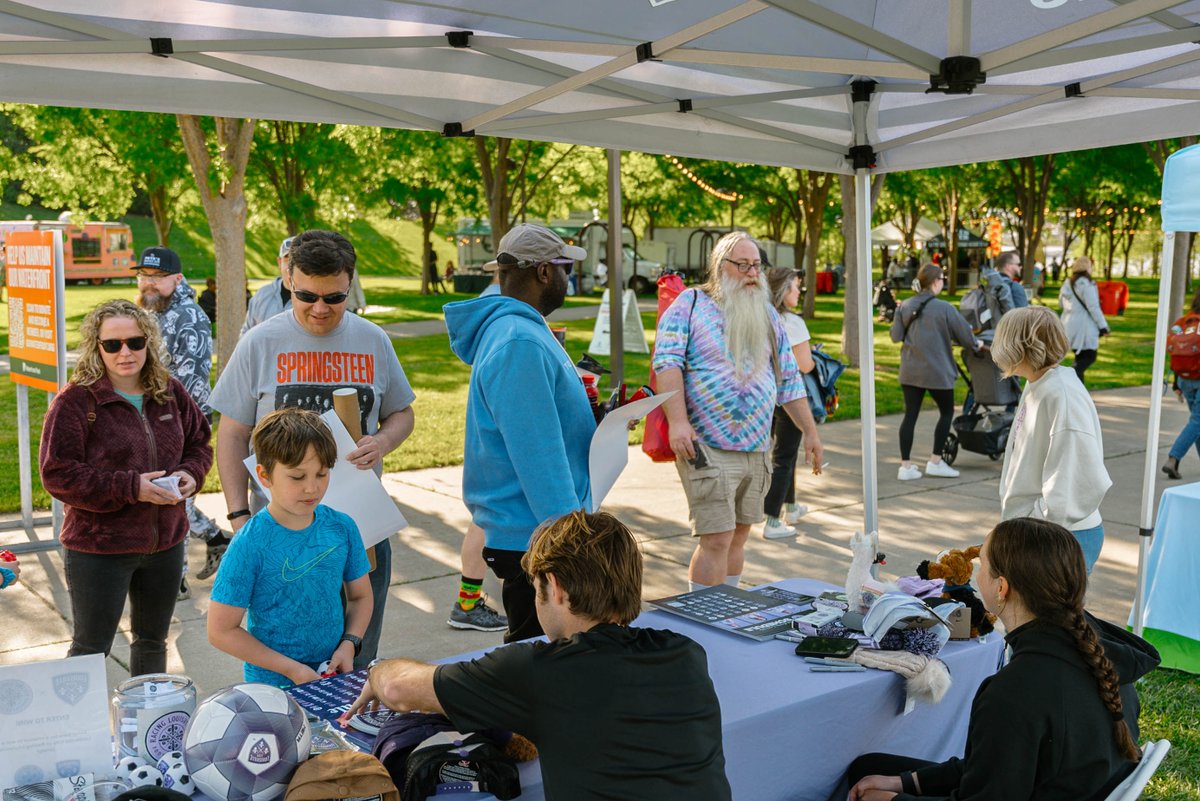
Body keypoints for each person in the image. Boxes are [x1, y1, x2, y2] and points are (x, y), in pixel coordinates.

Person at [343, 510, 732, 801]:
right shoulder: (686, 654)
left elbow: (397, 687)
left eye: (536, 587)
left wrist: (377, 669)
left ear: (556, 588)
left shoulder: (539, 670)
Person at [210, 229, 415, 668]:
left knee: (358, 653)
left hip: (362, 525)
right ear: (287, 277)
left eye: (335, 298)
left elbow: (402, 413)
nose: (320, 308)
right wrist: (238, 514)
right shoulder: (261, 342)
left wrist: (382, 440)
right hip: (283, 531)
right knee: (291, 656)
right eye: (306, 295)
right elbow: (230, 433)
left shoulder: (373, 340)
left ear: (350, 284)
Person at [845, 517, 1143, 801]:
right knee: (872, 768)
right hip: (1056, 786)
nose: (976, 574)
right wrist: (906, 783)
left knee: (866, 774)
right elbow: (999, 767)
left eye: (982, 564)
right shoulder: (1101, 655)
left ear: (1001, 588)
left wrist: (895, 799)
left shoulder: (1014, 693)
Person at [39, 300, 212, 675]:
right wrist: (131, 487)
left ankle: (147, 729)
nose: (125, 353)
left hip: (165, 544)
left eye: (135, 342)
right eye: (112, 344)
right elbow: (58, 474)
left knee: (152, 643)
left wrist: (190, 474)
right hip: (100, 548)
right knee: (90, 649)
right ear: (96, 347)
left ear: (148, 342)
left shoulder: (169, 391)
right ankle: (76, 731)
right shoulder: (76, 401)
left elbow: (200, 443)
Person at [443, 223, 592, 643]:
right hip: (538, 539)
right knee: (542, 659)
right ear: (544, 272)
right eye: (565, 267)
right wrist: (571, 544)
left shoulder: (517, 330)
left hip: (533, 533)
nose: (569, 278)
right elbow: (538, 455)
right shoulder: (518, 341)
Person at [653, 231, 824, 590]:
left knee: (740, 536)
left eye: (757, 266)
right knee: (716, 537)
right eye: (742, 265)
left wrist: (810, 432)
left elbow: (789, 379)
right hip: (705, 444)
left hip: (757, 447)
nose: (751, 273)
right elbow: (666, 362)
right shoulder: (690, 304)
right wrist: (678, 423)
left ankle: (728, 610)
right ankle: (705, 620)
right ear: (720, 266)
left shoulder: (768, 315)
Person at [208, 407, 372, 687]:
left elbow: (360, 597)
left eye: (321, 474)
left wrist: (349, 643)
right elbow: (220, 630)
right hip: (273, 685)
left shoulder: (342, 527)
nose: (312, 488)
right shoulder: (250, 544)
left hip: (333, 675)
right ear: (264, 476)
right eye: (297, 477)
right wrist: (291, 669)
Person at [133, 246, 230, 598]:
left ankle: (176, 579)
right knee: (170, 493)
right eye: (144, 276)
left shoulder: (188, 316)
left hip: (180, 423)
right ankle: (217, 539)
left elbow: (190, 383)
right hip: (153, 421)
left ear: (177, 278)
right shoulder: (154, 312)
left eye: (158, 278)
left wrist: (171, 430)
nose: (149, 283)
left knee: (174, 495)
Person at [991, 306, 1111, 573]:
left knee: (1051, 616)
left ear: (1018, 346)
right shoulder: (1038, 384)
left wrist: (1031, 524)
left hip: (1058, 537)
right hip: (1038, 531)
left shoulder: (1061, 396)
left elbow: (1074, 483)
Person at [890, 264, 979, 481]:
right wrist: (977, 345)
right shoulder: (945, 308)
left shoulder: (905, 306)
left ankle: (906, 466)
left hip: (910, 370)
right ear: (936, 282)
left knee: (910, 415)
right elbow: (967, 338)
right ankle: (935, 461)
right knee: (946, 412)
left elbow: (895, 336)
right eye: (942, 278)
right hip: (938, 371)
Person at [762, 267, 814, 539]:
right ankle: (772, 519)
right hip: (790, 396)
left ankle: (791, 506)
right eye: (795, 287)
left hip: (764, 394)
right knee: (784, 455)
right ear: (783, 291)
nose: (799, 291)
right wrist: (814, 358)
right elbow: (804, 365)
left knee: (785, 451)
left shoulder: (760, 318)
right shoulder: (792, 323)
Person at [1163, 289, 1200, 480]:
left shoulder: (1183, 323)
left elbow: (1173, 348)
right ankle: (1173, 458)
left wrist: (1176, 382)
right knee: (1198, 421)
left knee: (1197, 421)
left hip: (1185, 379)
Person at [1059, 256, 1109, 386]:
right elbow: (1093, 307)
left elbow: (1061, 303)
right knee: (1089, 356)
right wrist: (1103, 326)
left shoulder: (1067, 283)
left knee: (1079, 356)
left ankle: (1078, 392)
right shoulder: (1087, 284)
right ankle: (1071, 378)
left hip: (1068, 322)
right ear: (1087, 267)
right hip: (1084, 325)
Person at [242, 236, 294, 334]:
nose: (292, 266)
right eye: (288, 259)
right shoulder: (261, 296)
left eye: (297, 260)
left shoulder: (315, 301)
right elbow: (246, 333)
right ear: (279, 262)